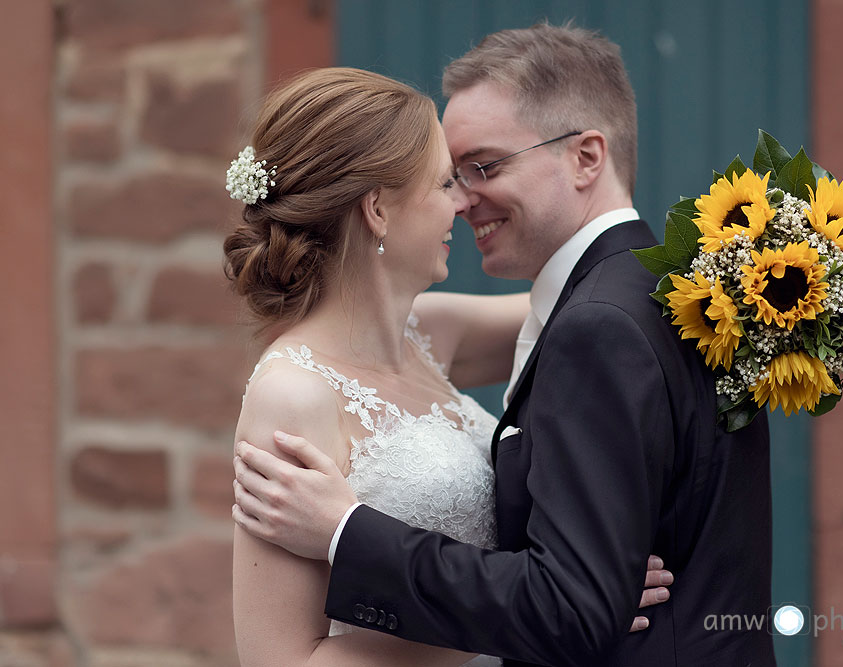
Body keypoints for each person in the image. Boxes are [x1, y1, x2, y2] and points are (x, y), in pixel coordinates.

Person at [234, 23, 775, 666]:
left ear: (586, 156)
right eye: (447, 181)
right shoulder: (293, 393)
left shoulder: (447, 333)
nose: (461, 202)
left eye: (480, 169)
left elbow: (601, 316)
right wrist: (560, 594)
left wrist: (777, 282)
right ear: (376, 211)